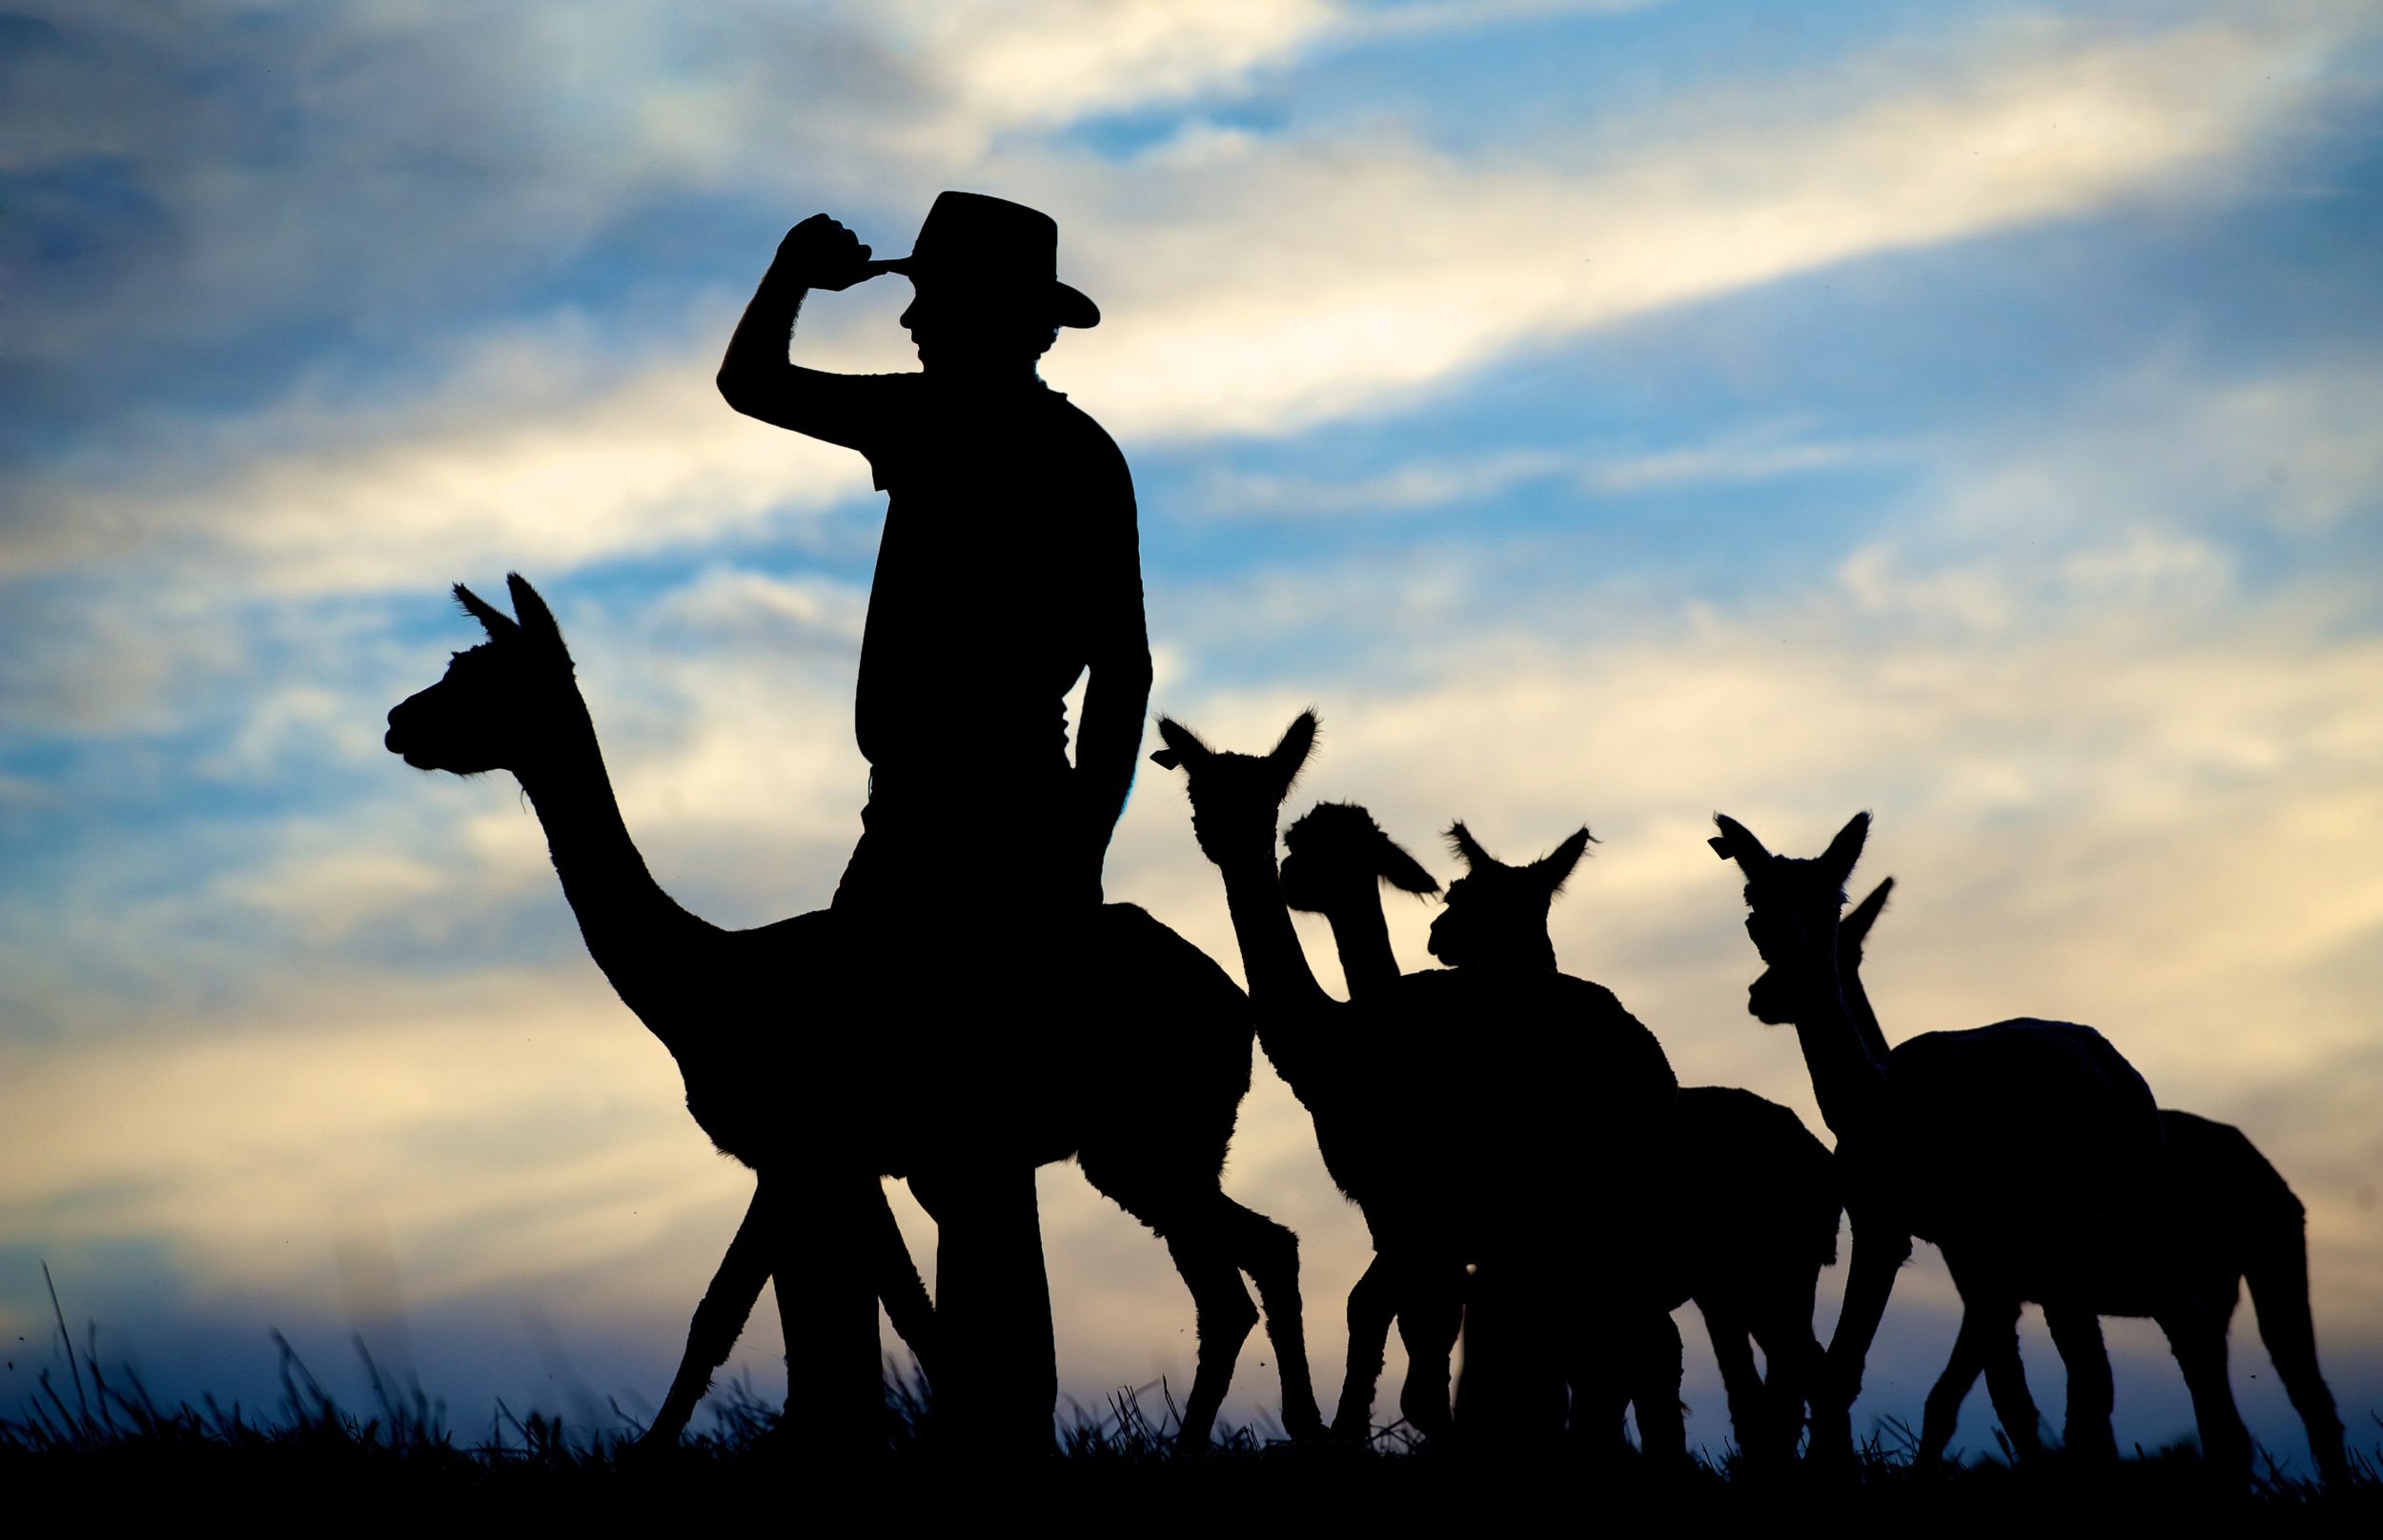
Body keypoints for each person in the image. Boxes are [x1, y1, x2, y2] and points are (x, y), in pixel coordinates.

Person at [717, 192, 1151, 1454]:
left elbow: (1122, 670)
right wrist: (1081, 841)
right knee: (900, 1143)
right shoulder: (989, 432)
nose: (907, 319)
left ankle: (951, 1435)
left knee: (946, 1150)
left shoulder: (1024, 445)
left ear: (997, 321)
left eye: (931, 301)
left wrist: (1077, 845)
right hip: (935, 826)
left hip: (992, 827)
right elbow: (753, 383)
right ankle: (879, 1425)